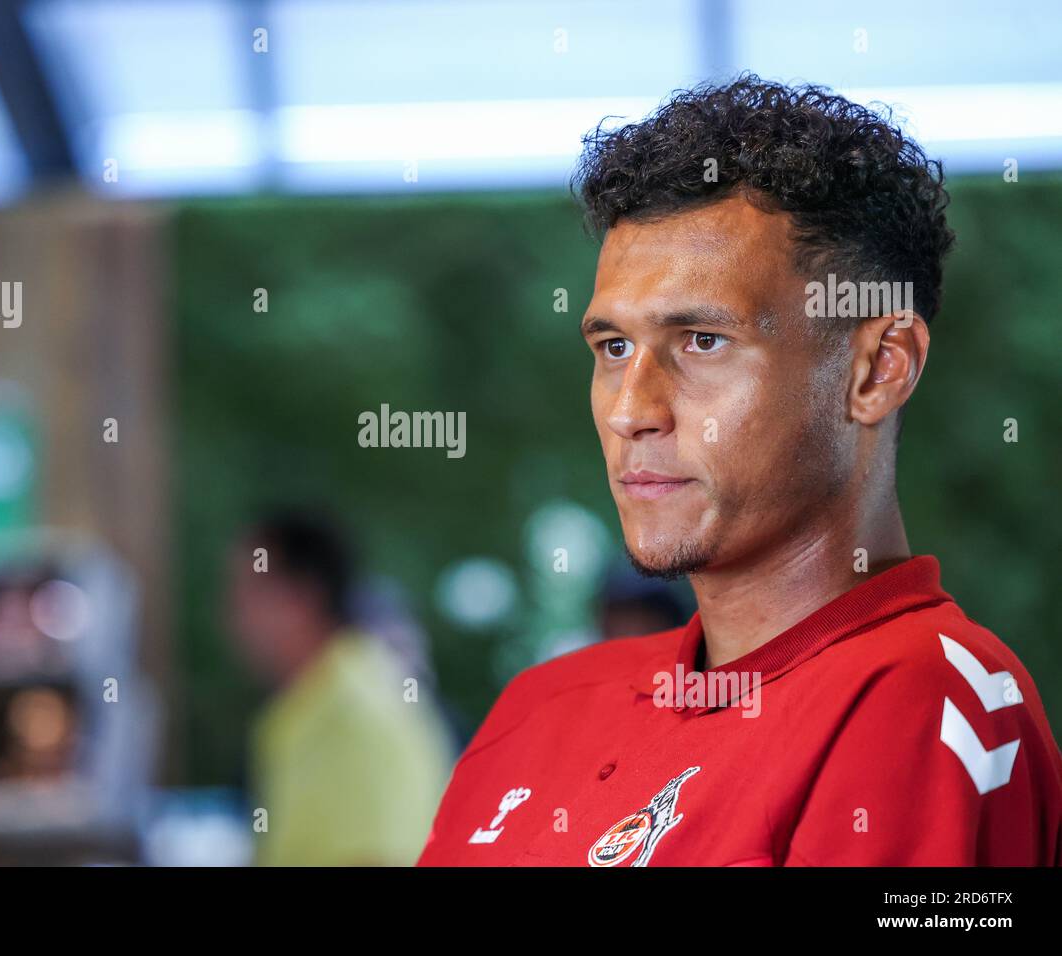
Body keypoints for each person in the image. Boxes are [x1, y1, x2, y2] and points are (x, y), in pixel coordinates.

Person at [418, 76, 1062, 866]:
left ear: (877, 372)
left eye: (702, 341)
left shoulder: (923, 699)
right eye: (613, 347)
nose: (631, 411)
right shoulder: (538, 710)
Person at [226, 509, 455, 865]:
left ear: (301, 599)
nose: (233, 615)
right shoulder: (309, 705)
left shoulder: (359, 717)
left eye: (247, 591)